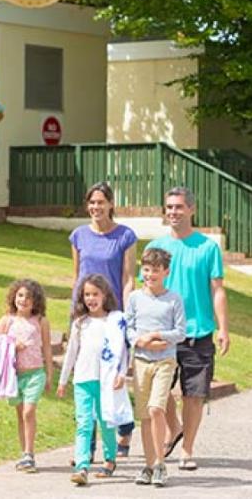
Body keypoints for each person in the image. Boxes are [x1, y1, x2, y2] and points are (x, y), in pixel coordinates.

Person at [146, 186, 230, 471]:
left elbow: (217, 290)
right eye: (169, 207)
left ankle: (187, 448)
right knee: (157, 390)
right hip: (162, 334)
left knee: (193, 394)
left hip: (198, 333)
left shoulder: (207, 248)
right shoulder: (154, 248)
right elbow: (147, 290)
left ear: (191, 210)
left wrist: (223, 329)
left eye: (179, 207)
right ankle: (174, 426)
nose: (173, 212)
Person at [69, 181, 138, 456]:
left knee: (112, 377)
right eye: (92, 203)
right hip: (85, 314)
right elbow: (76, 276)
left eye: (101, 202)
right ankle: (89, 444)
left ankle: (124, 426)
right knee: (87, 377)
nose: (96, 207)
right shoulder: (78, 236)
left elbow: (128, 277)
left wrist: (126, 314)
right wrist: (75, 314)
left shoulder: (125, 236)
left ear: (110, 204)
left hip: (112, 316)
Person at [58, 274, 128, 486]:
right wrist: (63, 381)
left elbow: (124, 351)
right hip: (83, 379)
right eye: (87, 294)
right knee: (84, 423)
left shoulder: (115, 320)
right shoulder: (80, 323)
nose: (91, 298)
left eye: (95, 294)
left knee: (106, 421)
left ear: (105, 295)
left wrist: (121, 374)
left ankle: (110, 459)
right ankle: (82, 466)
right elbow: (71, 353)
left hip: (106, 381)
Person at [124, 248, 186, 487]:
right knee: (144, 416)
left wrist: (159, 335)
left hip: (165, 362)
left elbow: (180, 332)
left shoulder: (174, 299)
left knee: (156, 409)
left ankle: (161, 463)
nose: (150, 275)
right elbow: (128, 328)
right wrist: (140, 340)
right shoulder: (135, 298)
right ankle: (149, 465)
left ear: (166, 272)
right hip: (141, 362)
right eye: (146, 269)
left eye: (155, 271)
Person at [0, 279, 53, 474]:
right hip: (14, 375)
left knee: (29, 412)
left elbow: (47, 349)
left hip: (35, 373)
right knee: (20, 415)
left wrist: (49, 374)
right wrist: (11, 344)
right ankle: (25, 454)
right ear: (14, 297)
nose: (24, 300)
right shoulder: (7, 320)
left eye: (29, 297)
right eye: (20, 295)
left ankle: (30, 453)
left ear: (36, 301)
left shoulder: (41, 322)